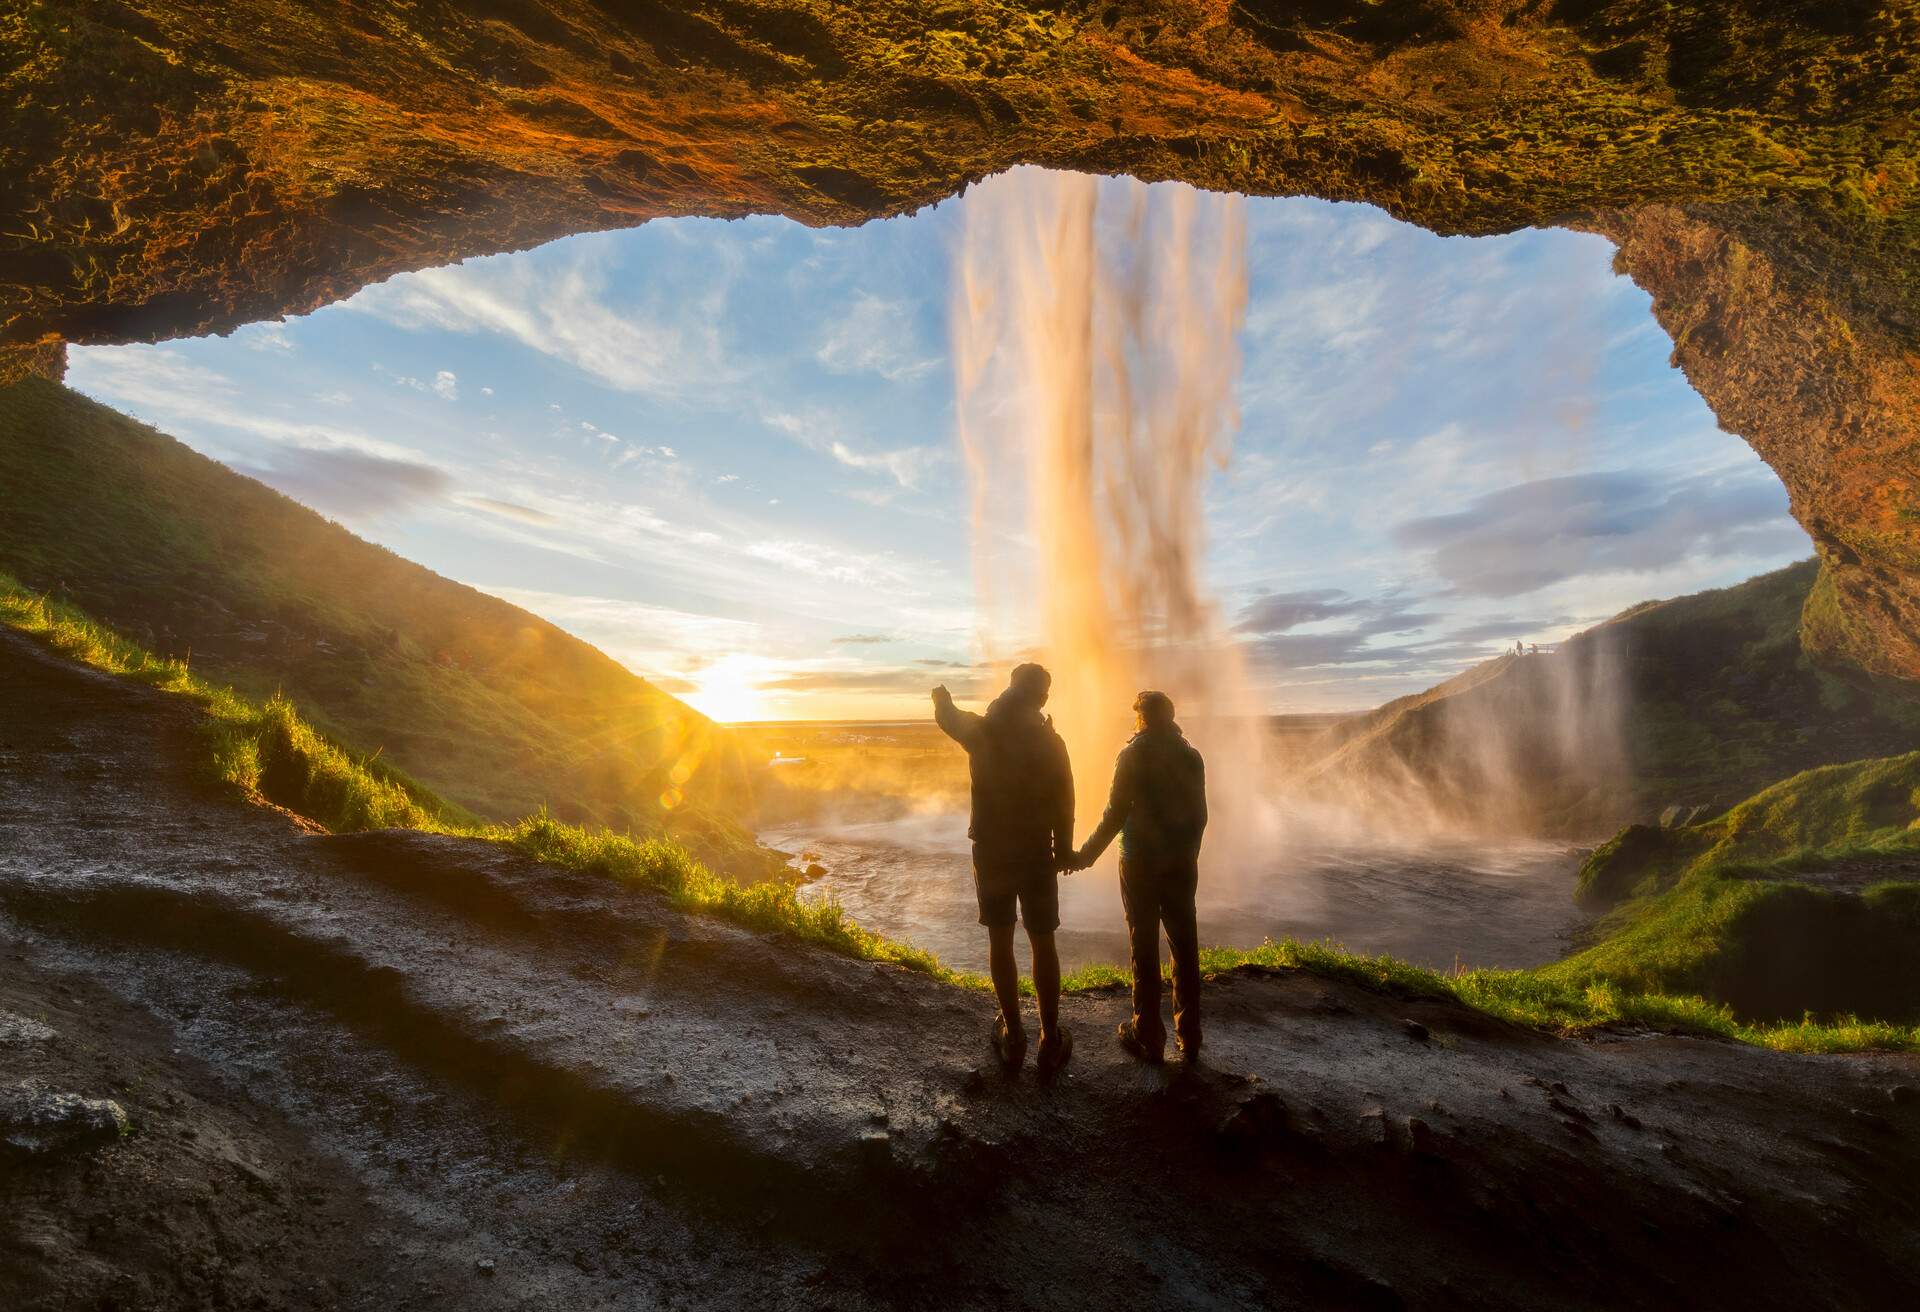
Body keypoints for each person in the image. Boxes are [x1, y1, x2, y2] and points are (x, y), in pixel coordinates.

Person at [932, 665, 1075, 1072]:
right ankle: (1050, 1038)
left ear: (1011, 688)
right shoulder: (1051, 741)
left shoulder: (983, 730)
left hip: (992, 849)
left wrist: (941, 697)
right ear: (1042, 697)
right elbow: (1066, 799)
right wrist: (1063, 851)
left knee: (1000, 938)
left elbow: (947, 718)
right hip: (1036, 851)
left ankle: (1013, 1034)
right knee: (1043, 940)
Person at [1067, 691, 1207, 1064]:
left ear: (1142, 718)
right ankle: (1189, 1035)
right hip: (1180, 864)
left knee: (1143, 943)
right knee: (1184, 944)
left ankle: (1147, 1035)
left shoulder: (1132, 754)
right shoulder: (1191, 756)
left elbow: (1115, 813)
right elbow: (1200, 815)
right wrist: (1188, 855)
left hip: (1139, 861)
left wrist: (1084, 856)